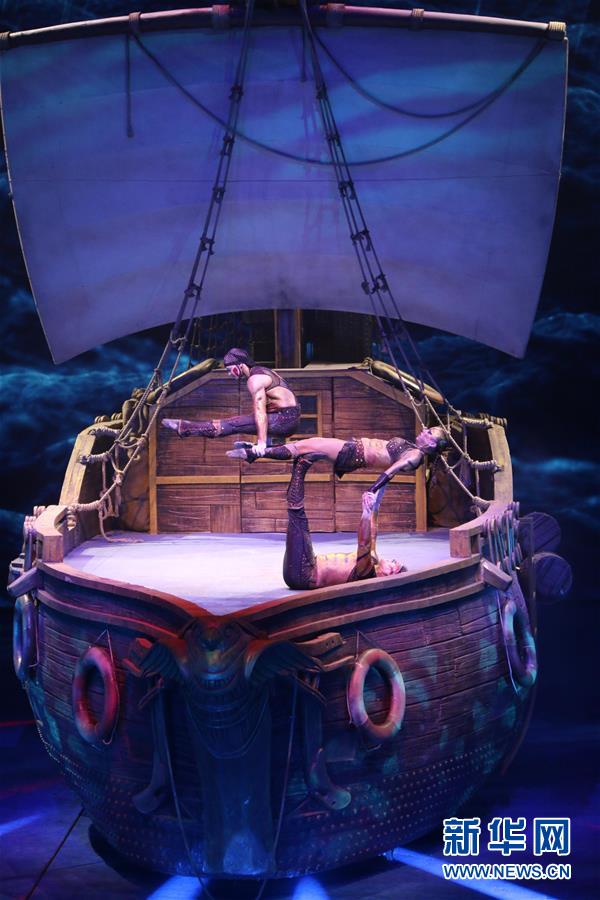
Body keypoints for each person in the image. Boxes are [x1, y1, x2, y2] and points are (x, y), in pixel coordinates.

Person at [283, 455, 403, 590]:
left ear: (389, 573)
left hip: (303, 574)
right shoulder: (373, 560)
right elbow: (373, 530)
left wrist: (366, 511)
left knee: (297, 516)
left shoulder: (366, 573)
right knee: (297, 516)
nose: (391, 560)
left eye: (393, 564)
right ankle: (299, 462)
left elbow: (364, 543)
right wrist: (383, 483)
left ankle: (301, 463)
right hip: (308, 563)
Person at [161, 348, 300, 454]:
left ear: (240, 365)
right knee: (242, 421)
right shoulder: (263, 371)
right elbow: (275, 406)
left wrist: (261, 443)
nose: (229, 373)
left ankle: (186, 428)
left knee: (231, 424)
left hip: (284, 420)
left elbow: (261, 412)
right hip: (289, 418)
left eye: (230, 369)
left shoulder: (255, 379)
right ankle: (260, 449)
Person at [227, 426, 448, 492]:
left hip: (354, 454)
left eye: (430, 433)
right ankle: (256, 452)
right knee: (306, 447)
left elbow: (389, 472)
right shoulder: (413, 448)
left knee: (309, 444)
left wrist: (371, 491)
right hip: (353, 449)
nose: (424, 430)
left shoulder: (415, 455)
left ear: (432, 445)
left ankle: (256, 453)